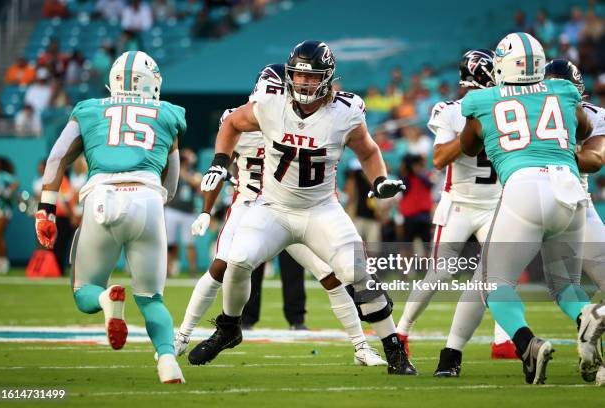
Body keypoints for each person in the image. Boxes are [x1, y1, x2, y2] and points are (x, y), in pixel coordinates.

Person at [194, 41, 415, 375]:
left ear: (327, 78)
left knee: (357, 273)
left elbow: (368, 151)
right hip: (273, 208)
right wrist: (219, 162)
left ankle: (394, 350)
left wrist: (379, 181)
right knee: (237, 260)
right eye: (297, 75)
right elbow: (232, 124)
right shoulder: (271, 103)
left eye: (311, 78)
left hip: (320, 210)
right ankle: (229, 327)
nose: (302, 83)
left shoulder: (345, 111)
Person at [459, 32, 604, 384]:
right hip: (570, 189)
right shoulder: (566, 92)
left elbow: (466, 146)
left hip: (524, 187)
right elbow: (582, 128)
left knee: (493, 282)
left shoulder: (481, 99)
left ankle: (528, 344)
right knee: (565, 283)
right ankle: (588, 312)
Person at [34, 51, 186, 384]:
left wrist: (46, 208)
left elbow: (58, 155)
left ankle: (106, 300)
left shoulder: (90, 110)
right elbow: (171, 182)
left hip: (101, 197)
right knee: (151, 298)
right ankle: (166, 360)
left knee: (84, 291)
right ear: (153, 83)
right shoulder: (168, 113)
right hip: (146, 197)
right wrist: (154, 200)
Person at [397, 50, 516, 379]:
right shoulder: (450, 111)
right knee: (439, 274)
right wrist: (472, 135)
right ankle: (401, 332)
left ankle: (502, 340)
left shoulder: (508, 108)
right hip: (460, 205)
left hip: (496, 204)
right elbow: (438, 159)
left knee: (498, 273)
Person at [544, 59, 605, 386]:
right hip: (581, 205)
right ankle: (590, 331)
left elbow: (595, 159)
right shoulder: (593, 113)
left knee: (558, 284)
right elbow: (594, 158)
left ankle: (587, 318)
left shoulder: (529, 110)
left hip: (550, 204)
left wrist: (546, 153)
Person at [164, 148, 200, 276]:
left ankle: (192, 270)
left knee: (190, 243)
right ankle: (167, 270)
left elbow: (198, 185)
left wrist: (183, 171)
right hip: (172, 210)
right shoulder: (174, 172)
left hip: (188, 212)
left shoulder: (194, 173)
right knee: (170, 243)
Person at [0, 157, 18, 274]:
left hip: (2, 210)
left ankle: (3, 263)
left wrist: (6, 193)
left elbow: (15, 183)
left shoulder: (3, 176)